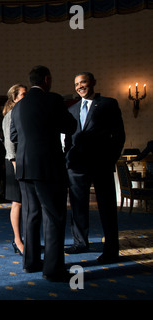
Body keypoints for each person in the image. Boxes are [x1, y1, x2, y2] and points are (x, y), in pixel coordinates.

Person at [10, 66, 76, 281]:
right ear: (47, 79)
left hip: (24, 167)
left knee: (31, 215)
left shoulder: (18, 107)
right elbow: (70, 126)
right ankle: (53, 269)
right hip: (48, 166)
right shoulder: (53, 99)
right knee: (54, 216)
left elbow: (12, 136)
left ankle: (30, 263)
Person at [64, 72, 125, 264]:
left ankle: (111, 249)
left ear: (93, 83)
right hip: (76, 166)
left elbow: (119, 135)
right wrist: (68, 160)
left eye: (83, 82)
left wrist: (111, 159)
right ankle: (80, 242)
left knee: (107, 207)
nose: (79, 86)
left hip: (101, 164)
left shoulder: (108, 104)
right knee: (77, 206)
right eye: (76, 84)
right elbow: (67, 139)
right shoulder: (72, 109)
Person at [2, 84, 27, 254]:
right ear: (15, 98)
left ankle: (27, 238)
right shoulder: (10, 115)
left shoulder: (26, 113)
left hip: (26, 161)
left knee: (29, 203)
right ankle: (17, 241)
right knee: (17, 202)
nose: (27, 97)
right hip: (14, 163)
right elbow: (9, 143)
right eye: (23, 94)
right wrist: (15, 164)